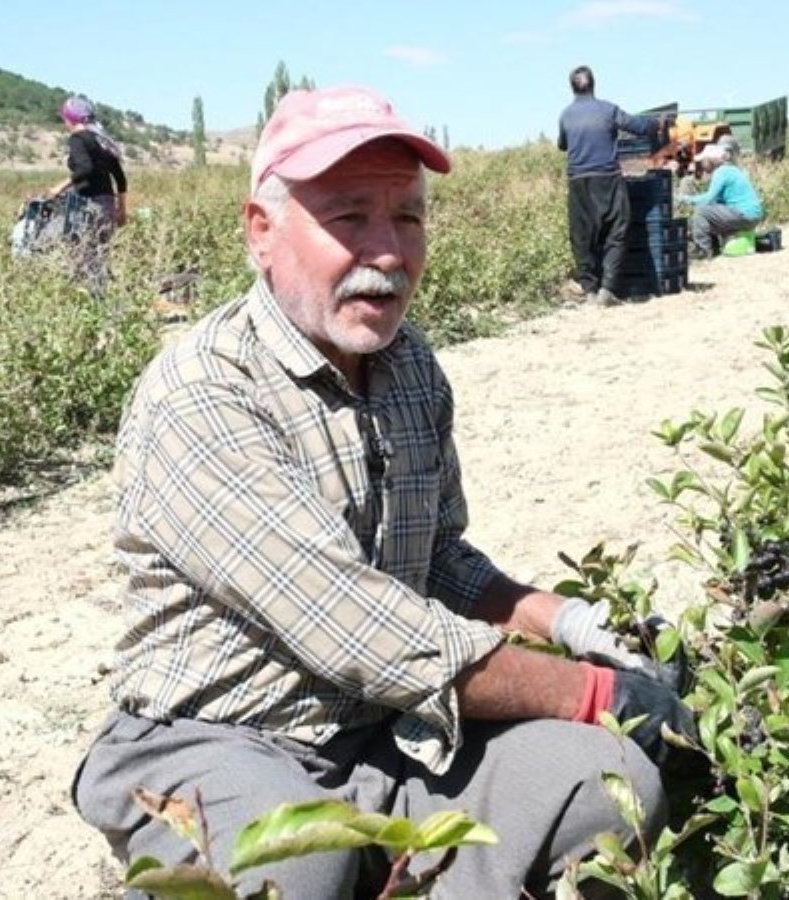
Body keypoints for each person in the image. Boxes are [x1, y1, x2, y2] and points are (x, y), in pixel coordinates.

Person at [72, 84, 705, 899]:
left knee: (604, 781)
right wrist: (601, 691)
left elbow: (437, 557)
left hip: (383, 731)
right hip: (219, 736)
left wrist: (575, 624)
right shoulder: (202, 393)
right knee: (292, 860)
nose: (388, 251)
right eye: (349, 217)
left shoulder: (410, 368)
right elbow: (361, 632)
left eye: (408, 216)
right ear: (261, 232)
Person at [557, 65, 670, 306]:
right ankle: (607, 290)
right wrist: (657, 125)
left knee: (582, 237)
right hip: (607, 179)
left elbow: (563, 145)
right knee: (617, 231)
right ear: (594, 85)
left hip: (578, 182)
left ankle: (589, 290)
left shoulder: (566, 115)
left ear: (572, 88)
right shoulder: (608, 110)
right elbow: (638, 127)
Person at [47, 95, 128, 294]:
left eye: (64, 118)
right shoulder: (102, 140)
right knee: (99, 254)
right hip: (107, 204)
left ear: (70, 119)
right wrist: (121, 209)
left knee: (82, 253)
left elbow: (85, 169)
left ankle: (94, 302)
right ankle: (102, 297)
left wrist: (59, 187)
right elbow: (120, 178)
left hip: (88, 204)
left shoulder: (77, 139)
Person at [678, 140, 764, 260]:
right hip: (752, 214)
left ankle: (703, 250)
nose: (702, 163)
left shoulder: (721, 172)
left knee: (701, 212)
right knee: (713, 212)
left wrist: (684, 199)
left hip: (745, 214)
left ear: (711, 160)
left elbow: (708, 199)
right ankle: (715, 247)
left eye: (704, 160)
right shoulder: (732, 169)